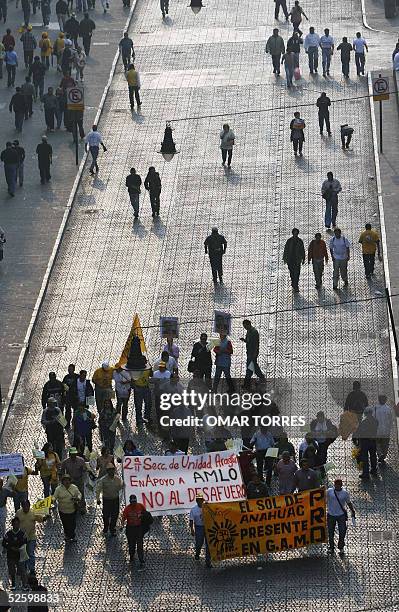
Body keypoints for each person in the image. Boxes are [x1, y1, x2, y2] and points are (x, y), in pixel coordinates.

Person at [16, 500, 45, 575]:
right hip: (21, 539)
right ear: (22, 506)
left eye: (27, 506)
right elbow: (15, 523)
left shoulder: (33, 512)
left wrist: (45, 516)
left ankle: (32, 569)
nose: (26, 508)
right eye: (24, 506)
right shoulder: (18, 513)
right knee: (22, 553)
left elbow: (41, 519)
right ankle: (23, 568)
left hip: (31, 537)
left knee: (30, 553)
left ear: (29, 505)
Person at [327, 479, 355, 555]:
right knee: (330, 532)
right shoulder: (329, 491)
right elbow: (322, 497)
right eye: (336, 484)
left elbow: (349, 503)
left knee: (342, 532)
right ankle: (331, 547)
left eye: (339, 484)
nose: (338, 486)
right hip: (331, 515)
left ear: (341, 485)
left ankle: (341, 547)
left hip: (341, 515)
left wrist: (352, 511)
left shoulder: (345, 493)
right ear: (334, 484)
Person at [96, 463, 123, 536]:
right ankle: (106, 527)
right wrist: (98, 499)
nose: (111, 472)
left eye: (112, 470)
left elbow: (120, 487)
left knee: (115, 515)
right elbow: (98, 489)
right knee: (105, 515)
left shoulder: (118, 479)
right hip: (107, 500)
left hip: (115, 500)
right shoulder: (103, 480)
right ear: (107, 471)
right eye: (109, 470)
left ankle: (112, 529)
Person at [2, 517, 28, 590]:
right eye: (14, 524)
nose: (16, 525)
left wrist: (19, 548)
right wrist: (10, 548)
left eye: (17, 524)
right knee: (12, 571)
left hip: (20, 556)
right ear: (12, 525)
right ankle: (13, 584)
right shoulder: (8, 534)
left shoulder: (22, 534)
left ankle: (24, 585)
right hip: (10, 556)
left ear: (19, 524)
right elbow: (4, 543)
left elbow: (25, 543)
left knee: (22, 570)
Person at [53, 474, 81, 541]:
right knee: (65, 524)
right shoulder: (58, 489)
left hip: (72, 510)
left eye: (68, 480)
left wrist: (77, 498)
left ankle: (72, 536)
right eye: (65, 481)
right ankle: (67, 535)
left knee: (72, 524)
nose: (67, 482)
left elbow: (79, 494)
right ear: (62, 482)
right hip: (62, 510)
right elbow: (54, 497)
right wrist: (52, 500)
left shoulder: (74, 487)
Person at [121, 494, 146, 567]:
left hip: (138, 528)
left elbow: (145, 513)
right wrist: (122, 525)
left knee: (140, 544)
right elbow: (123, 518)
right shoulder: (127, 509)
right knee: (131, 544)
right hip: (130, 529)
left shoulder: (140, 506)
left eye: (134, 501)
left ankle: (141, 558)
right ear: (130, 502)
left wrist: (143, 517)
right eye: (132, 502)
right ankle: (131, 556)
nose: (134, 503)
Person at [240, 320, 265, 389]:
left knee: (250, 368)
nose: (245, 328)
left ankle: (247, 384)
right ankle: (261, 378)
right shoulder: (249, 331)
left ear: (249, 324)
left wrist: (254, 354)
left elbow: (256, 344)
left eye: (245, 326)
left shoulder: (254, 332)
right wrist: (244, 340)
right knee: (252, 368)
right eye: (244, 326)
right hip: (249, 353)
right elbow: (249, 341)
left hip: (252, 354)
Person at [354, 408, 378, 479]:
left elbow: (359, 432)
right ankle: (374, 469)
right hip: (373, 441)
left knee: (365, 458)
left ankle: (366, 473)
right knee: (373, 456)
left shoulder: (364, 422)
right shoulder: (376, 421)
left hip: (365, 442)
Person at [189, 493, 211, 567]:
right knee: (199, 543)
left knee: (208, 545)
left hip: (207, 527)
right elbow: (191, 521)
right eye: (199, 500)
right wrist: (192, 529)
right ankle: (197, 553)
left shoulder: (206, 507)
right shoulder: (193, 510)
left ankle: (208, 561)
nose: (201, 501)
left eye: (201, 500)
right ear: (197, 501)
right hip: (198, 527)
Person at [283, 228, 305, 292]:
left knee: (297, 273)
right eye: (294, 233)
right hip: (290, 260)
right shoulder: (289, 241)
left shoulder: (300, 241)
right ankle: (293, 282)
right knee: (292, 272)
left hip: (297, 260)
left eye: (296, 233)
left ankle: (296, 285)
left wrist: (303, 258)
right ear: (292, 233)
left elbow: (302, 250)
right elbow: (286, 250)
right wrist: (285, 258)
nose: (295, 234)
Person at [373, 395, 393, 464]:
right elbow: (391, 420)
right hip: (386, 431)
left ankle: (379, 454)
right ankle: (383, 455)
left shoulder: (375, 408)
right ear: (385, 400)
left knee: (377, 444)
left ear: (379, 400)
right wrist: (390, 427)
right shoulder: (388, 409)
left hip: (377, 431)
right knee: (385, 444)